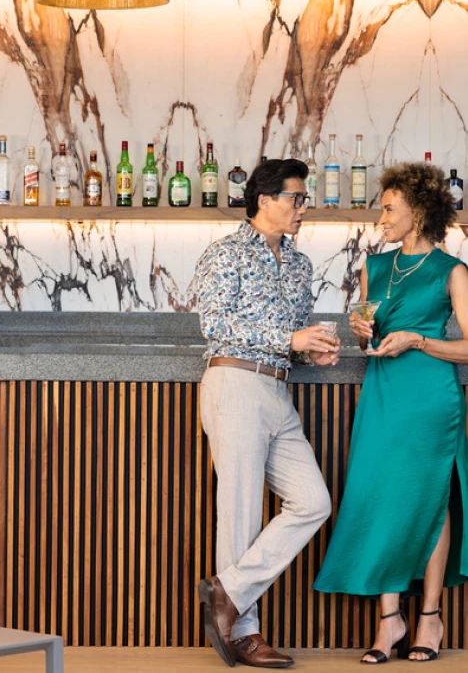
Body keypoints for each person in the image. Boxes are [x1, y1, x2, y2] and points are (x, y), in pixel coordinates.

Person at [314, 162, 468, 664]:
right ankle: (389, 620)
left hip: (430, 399)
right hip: (381, 394)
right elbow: (369, 325)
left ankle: (429, 616)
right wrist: (364, 333)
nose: (380, 216)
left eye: (388, 208)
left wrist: (420, 339)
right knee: (381, 496)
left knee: (429, 500)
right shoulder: (374, 266)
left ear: (418, 213)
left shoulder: (453, 270)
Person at [195, 158, 339, 668]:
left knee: (313, 502)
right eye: (296, 199)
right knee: (239, 513)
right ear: (264, 201)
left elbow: (294, 336)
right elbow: (214, 325)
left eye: (304, 199)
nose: (304, 208)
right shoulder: (225, 254)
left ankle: (227, 590)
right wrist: (288, 339)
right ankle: (245, 635)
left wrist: (311, 349)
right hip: (234, 382)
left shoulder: (300, 265)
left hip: (278, 391)